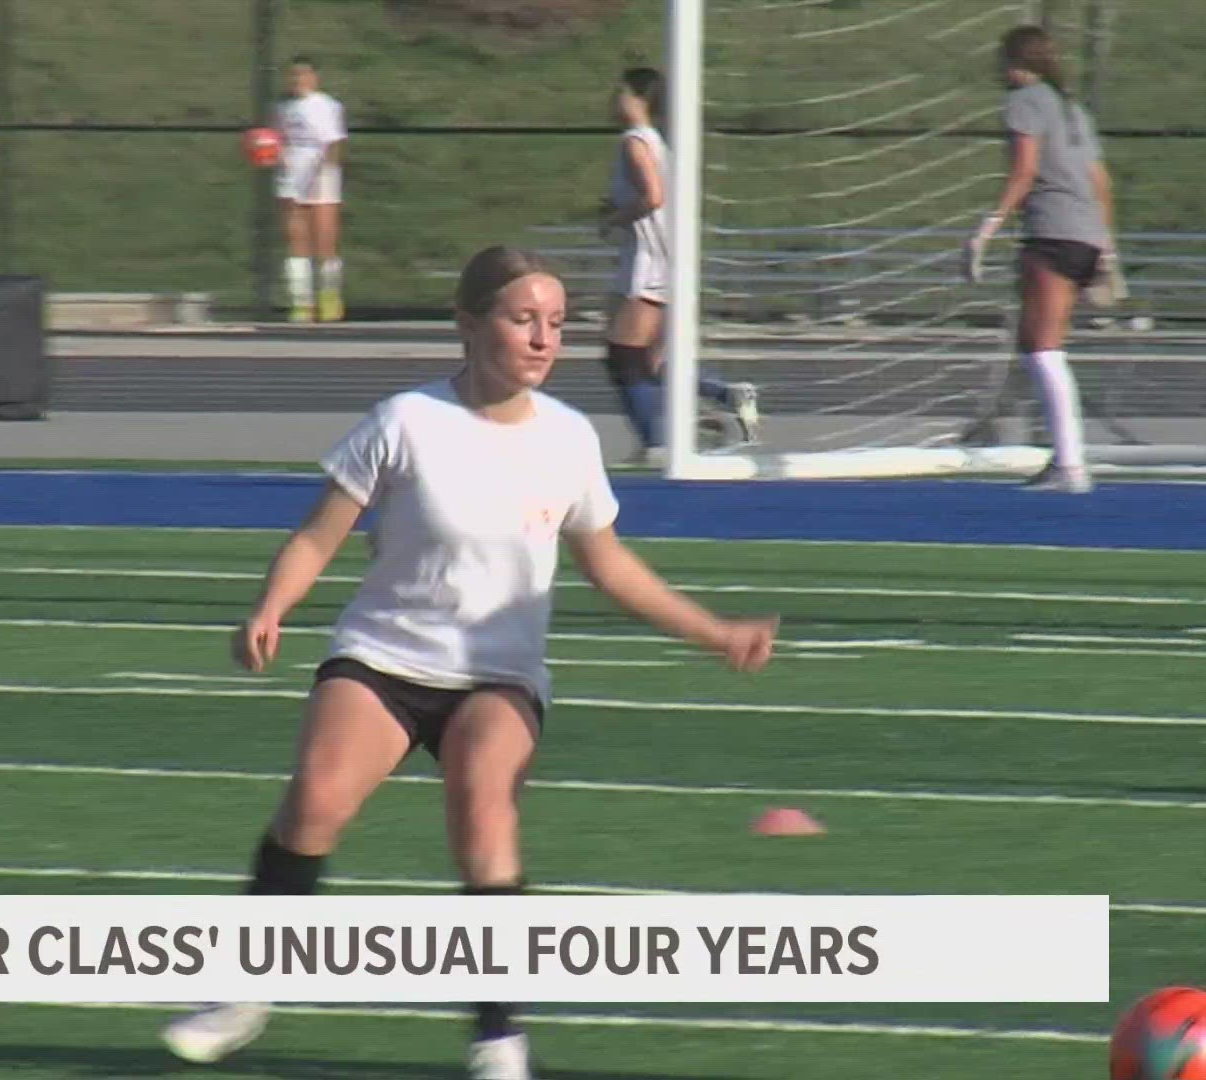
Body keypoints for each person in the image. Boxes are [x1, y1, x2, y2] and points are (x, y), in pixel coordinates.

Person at [159, 244, 781, 1080]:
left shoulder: (568, 438)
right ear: (469, 322)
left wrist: (715, 632)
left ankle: (498, 1036)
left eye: (556, 323)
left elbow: (610, 565)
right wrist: (271, 608)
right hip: (385, 657)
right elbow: (317, 535)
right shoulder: (405, 421)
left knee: (484, 816)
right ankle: (244, 990)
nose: (542, 338)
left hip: (499, 675)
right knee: (313, 803)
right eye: (523, 319)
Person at [961, 24, 1122, 493]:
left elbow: (1025, 170)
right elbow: (1101, 182)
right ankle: (1066, 459)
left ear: (1013, 62)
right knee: (1045, 346)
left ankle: (1070, 464)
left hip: (1053, 232)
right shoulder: (1073, 109)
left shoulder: (1024, 100)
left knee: (1041, 349)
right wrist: (1106, 247)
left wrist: (985, 229)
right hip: (1087, 236)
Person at [598, 66, 760, 465]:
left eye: (619, 93)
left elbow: (652, 197)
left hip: (649, 263)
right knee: (651, 362)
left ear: (637, 99)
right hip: (666, 260)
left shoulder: (635, 141)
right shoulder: (658, 143)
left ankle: (657, 443)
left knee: (624, 357)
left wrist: (612, 220)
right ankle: (726, 396)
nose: (613, 101)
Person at [276, 55, 347, 323]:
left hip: (320, 170)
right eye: (293, 75)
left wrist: (324, 172)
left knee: (325, 239)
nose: (298, 81)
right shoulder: (283, 107)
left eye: (304, 75)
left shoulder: (326, 106)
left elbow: (333, 142)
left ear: (315, 78)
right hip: (291, 170)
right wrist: (276, 155)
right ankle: (301, 301)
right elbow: (277, 138)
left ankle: (329, 297)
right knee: (296, 238)